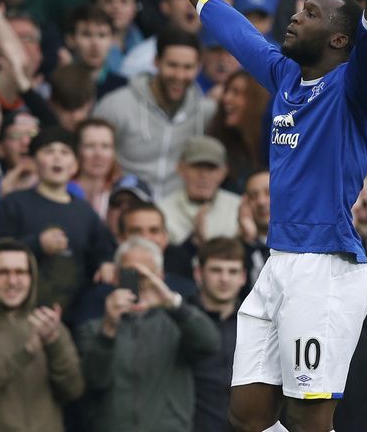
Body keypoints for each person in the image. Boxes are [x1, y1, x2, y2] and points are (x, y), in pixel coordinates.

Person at [139, 0, 367, 430]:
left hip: (325, 267)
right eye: (300, 8)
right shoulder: (285, 77)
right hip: (279, 263)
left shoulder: (354, 90)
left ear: (340, 39)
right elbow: (236, 32)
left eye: (312, 13)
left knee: (308, 417)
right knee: (248, 415)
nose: (297, 15)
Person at [79, 237, 220, 431]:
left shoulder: (177, 323)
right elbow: (95, 381)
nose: (139, 280)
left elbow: (210, 343)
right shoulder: (95, 328)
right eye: (130, 272)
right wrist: (109, 328)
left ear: (160, 276)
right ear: (116, 277)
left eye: (146, 273)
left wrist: (172, 302)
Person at [0, 238, 84, 431]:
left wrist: (54, 343)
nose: (12, 281)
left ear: (32, 278)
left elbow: (73, 390)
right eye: (2, 272)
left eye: (20, 272)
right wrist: (27, 352)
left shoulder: (51, 326)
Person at [0, 126, 115, 311]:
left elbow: (103, 251)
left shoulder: (85, 212)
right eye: (49, 151)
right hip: (17, 313)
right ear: (33, 163)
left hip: (69, 318)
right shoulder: (14, 204)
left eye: (65, 152)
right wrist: (36, 245)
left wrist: (105, 264)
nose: (57, 157)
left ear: (75, 165)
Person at [94, 27, 216, 200]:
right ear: (156, 62)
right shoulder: (116, 105)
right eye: (172, 65)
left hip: (178, 214)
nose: (179, 75)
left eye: (188, 67)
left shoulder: (206, 111)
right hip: (125, 206)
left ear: (198, 68)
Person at [192, 237, 249, 432]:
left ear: (243, 276)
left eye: (232, 271)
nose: (224, 278)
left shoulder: (258, 322)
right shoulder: (182, 320)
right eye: (216, 270)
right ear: (199, 273)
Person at [158, 135, 242, 247]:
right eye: (197, 166)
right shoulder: (162, 211)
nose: (204, 175)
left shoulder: (238, 207)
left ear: (223, 172)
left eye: (211, 168)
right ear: (181, 169)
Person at [206, 70, 271, 194]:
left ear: (255, 99)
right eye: (226, 91)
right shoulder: (219, 139)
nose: (226, 98)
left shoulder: (273, 142)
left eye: (236, 92)